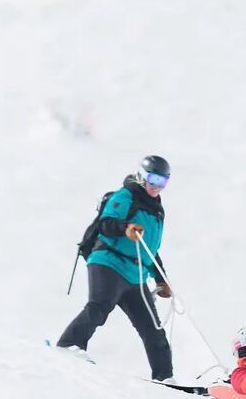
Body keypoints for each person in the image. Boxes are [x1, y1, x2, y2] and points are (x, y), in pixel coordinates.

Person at [57, 155, 175, 382]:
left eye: (162, 182)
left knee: (153, 328)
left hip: (136, 275)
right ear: (142, 175)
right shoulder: (127, 195)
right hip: (109, 262)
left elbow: (150, 250)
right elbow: (105, 223)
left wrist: (161, 280)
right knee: (100, 306)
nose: (156, 186)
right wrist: (126, 228)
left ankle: (166, 377)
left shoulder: (158, 211)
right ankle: (69, 344)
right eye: (152, 179)